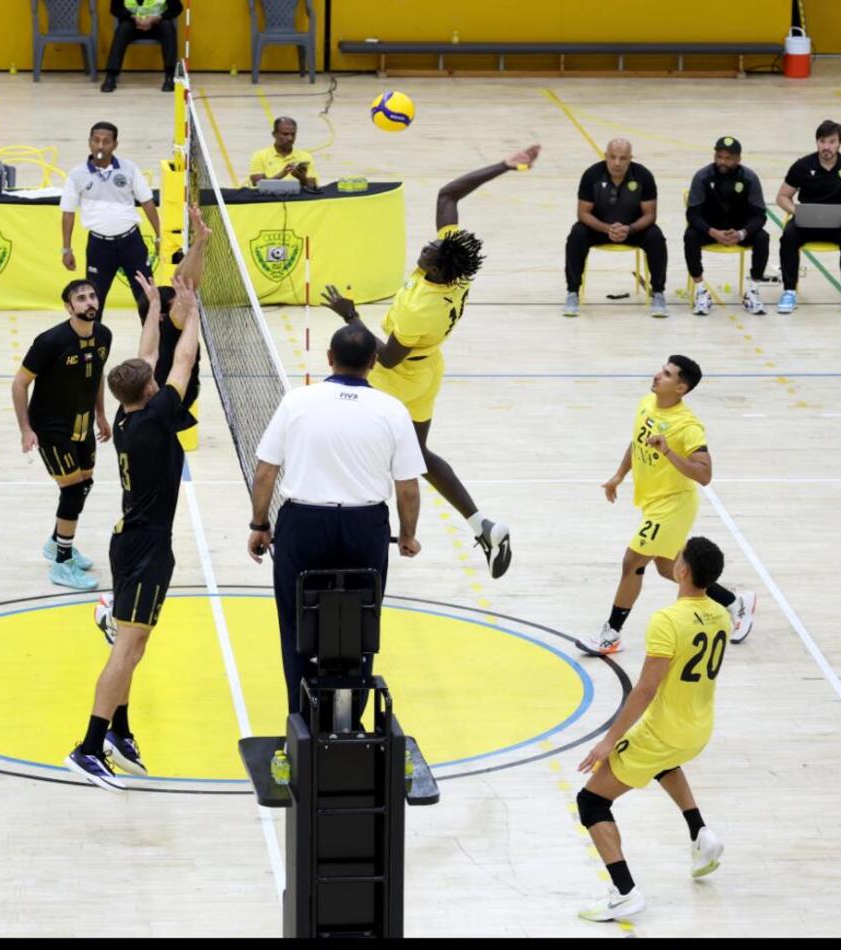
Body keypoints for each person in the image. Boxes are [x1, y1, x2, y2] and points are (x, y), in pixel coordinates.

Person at [320, 145, 539, 580]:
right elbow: (448, 194)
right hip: (429, 368)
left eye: (429, 253)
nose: (426, 247)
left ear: (437, 272)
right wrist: (506, 164)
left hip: (399, 377)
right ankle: (483, 526)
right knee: (417, 453)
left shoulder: (420, 306)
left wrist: (350, 315)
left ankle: (351, 525)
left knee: (353, 437)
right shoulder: (455, 263)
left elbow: (385, 357)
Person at [248, 323, 427, 718]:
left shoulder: (297, 402)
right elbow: (408, 487)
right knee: (361, 622)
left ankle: (301, 719)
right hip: (365, 529)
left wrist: (259, 525)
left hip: (304, 527)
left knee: (296, 622)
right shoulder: (392, 410)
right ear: (373, 362)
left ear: (329, 358)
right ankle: (351, 718)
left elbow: (265, 472)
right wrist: (408, 535)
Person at [64, 272, 200, 789]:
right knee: (127, 649)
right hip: (146, 547)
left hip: (129, 539)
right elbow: (181, 360)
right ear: (150, 390)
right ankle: (88, 747)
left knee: (133, 646)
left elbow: (148, 354)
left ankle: (119, 731)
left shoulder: (126, 417)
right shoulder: (156, 417)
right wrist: (194, 314)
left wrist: (155, 311)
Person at [574, 536, 731, 922]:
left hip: (664, 731)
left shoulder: (668, 620)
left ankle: (624, 892)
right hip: (698, 729)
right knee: (663, 762)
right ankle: (700, 833)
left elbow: (645, 689)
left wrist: (608, 742)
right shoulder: (722, 615)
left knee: (592, 802)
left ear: (682, 570)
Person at [577, 356, 755, 656]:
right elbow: (637, 442)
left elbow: (705, 475)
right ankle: (735, 602)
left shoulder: (688, 426)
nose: (658, 375)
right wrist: (619, 475)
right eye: (662, 370)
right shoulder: (647, 403)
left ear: (681, 388)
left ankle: (611, 634)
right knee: (668, 568)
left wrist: (669, 452)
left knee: (632, 562)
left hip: (674, 505)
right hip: (653, 501)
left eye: (667, 374)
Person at [11, 280, 113, 591]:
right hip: (51, 427)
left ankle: (57, 542)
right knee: (72, 491)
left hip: (83, 425)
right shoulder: (50, 341)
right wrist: (26, 429)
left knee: (85, 485)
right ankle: (62, 563)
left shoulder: (104, 335)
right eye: (81, 298)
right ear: (69, 307)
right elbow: (19, 384)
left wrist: (100, 414)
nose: (89, 302)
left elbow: (97, 375)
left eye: (92, 296)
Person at [60, 122, 160, 322]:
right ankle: (92, 340)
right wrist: (66, 249)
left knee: (147, 298)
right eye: (96, 140)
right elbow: (68, 212)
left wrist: (159, 235)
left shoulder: (129, 168)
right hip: (99, 247)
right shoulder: (77, 174)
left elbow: (147, 202)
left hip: (132, 243)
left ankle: (154, 341)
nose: (100, 146)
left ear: (115, 145)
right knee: (93, 303)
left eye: (106, 141)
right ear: (89, 142)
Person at [775, 119, 841, 316]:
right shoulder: (802, 166)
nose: (826, 146)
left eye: (832, 141)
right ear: (817, 142)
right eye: (822, 141)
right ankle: (789, 291)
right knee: (788, 236)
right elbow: (782, 197)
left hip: (840, 222)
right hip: (806, 222)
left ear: (840, 143)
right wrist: (797, 211)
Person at [563, 139, 668, 318]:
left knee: (656, 236)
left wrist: (629, 229)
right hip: (599, 229)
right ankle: (572, 292)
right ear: (606, 156)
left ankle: (658, 293)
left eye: (623, 158)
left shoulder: (643, 176)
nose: (617, 163)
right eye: (612, 157)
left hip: (633, 230)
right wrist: (607, 229)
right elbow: (583, 213)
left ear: (630, 158)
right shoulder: (592, 175)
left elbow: (650, 215)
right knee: (576, 234)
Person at [130, 205, 210, 435]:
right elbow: (186, 284)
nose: (183, 298)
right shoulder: (169, 329)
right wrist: (200, 242)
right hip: (170, 402)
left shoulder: (156, 327)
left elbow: (180, 280)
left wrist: (199, 242)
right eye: (176, 301)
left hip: (164, 399)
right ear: (163, 315)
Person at [684, 136, 769, 315]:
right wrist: (713, 232)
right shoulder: (702, 177)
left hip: (739, 231)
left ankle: (752, 292)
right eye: (719, 156)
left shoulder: (749, 178)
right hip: (711, 230)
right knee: (690, 236)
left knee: (763, 237)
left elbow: (759, 216)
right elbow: (692, 214)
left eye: (728, 158)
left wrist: (741, 233)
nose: (722, 161)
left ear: (738, 159)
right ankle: (701, 291)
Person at [102, 0, 182, 93]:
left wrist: (159, 17)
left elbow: (176, 8)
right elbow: (115, 8)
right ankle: (111, 76)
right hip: (132, 23)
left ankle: (170, 76)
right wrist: (132, 17)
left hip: (157, 24)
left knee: (168, 28)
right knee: (122, 30)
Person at [248, 117, 318, 190]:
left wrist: (302, 178)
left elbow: (313, 186)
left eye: (293, 134)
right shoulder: (259, 155)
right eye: (285, 134)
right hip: (269, 197)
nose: (290, 138)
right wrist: (281, 175)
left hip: (297, 197)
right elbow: (257, 184)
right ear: (274, 134)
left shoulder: (305, 156)